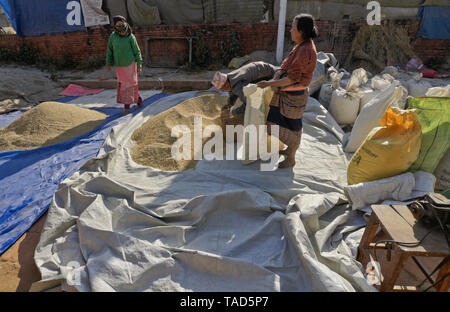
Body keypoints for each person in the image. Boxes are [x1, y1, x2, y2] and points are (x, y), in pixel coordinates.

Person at [257, 14, 318, 169]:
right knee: (292, 125)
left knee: (274, 126)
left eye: (293, 28)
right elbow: (286, 65)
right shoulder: (301, 46)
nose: (290, 30)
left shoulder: (305, 50)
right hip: (288, 94)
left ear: (301, 31)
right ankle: (291, 151)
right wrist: (277, 75)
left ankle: (292, 154)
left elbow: (292, 78)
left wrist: (270, 83)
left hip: (292, 96)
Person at [211, 61, 278, 139]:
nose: (222, 91)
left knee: (260, 106)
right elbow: (233, 91)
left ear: (226, 84)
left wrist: (233, 112)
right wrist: (229, 104)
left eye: (222, 89)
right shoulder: (230, 77)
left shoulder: (239, 85)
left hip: (272, 76)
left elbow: (249, 103)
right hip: (265, 69)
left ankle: (267, 131)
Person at [106, 15, 143, 115]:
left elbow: (137, 51)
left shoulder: (130, 36)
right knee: (124, 86)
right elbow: (110, 51)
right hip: (119, 66)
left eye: (122, 23)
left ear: (125, 23)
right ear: (115, 25)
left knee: (128, 86)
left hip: (130, 65)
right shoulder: (113, 37)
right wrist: (108, 62)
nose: (120, 26)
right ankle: (139, 100)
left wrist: (139, 65)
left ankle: (126, 109)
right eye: (118, 24)